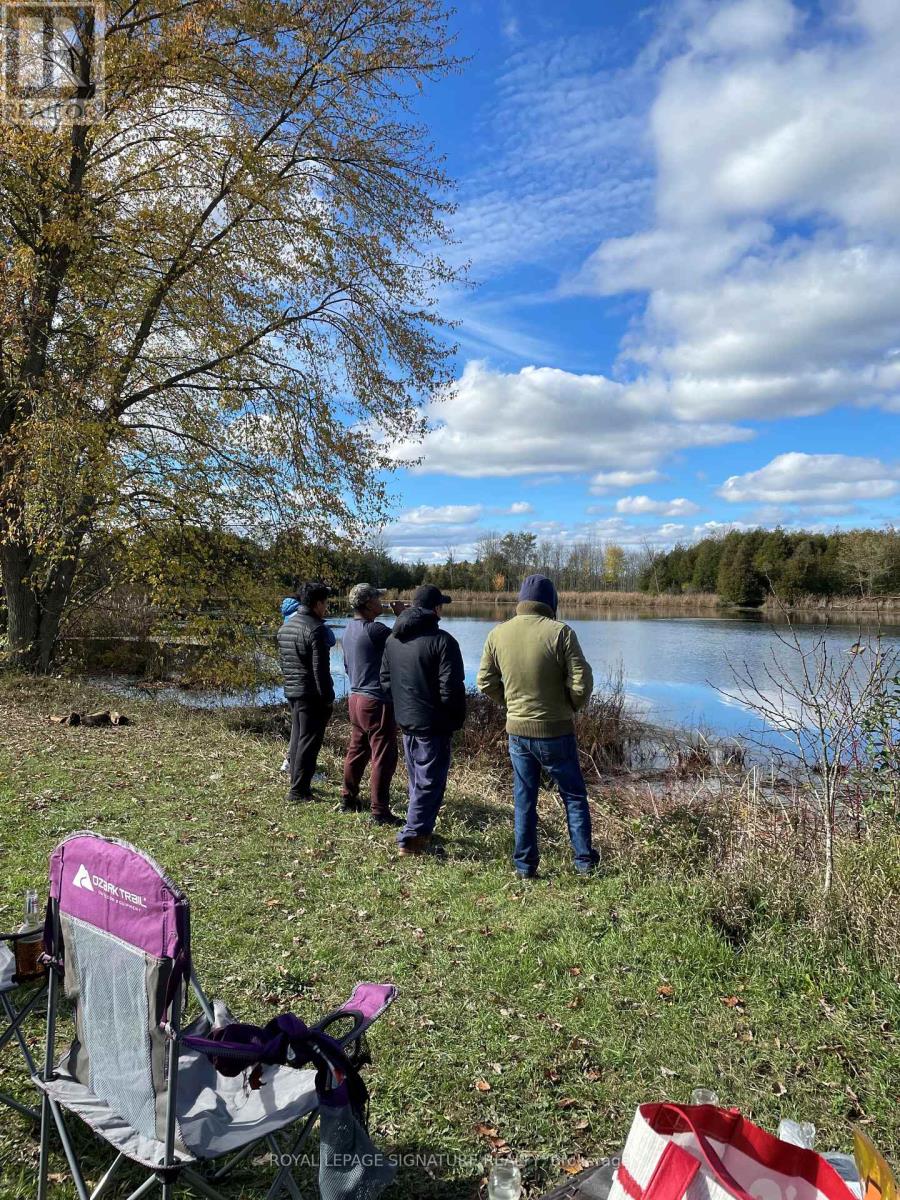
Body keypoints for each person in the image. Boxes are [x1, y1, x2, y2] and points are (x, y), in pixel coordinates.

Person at [476, 574, 600, 880]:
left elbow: (484, 682)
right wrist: (571, 705)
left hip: (517, 732)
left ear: (521, 601)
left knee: (524, 798)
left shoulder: (498, 634)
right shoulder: (561, 633)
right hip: (556, 730)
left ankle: (525, 867)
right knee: (572, 795)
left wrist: (511, 705)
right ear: (551, 603)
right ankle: (584, 863)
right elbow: (581, 681)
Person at [380, 584, 466, 856]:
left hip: (406, 722)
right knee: (429, 782)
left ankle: (420, 829)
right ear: (436, 609)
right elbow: (450, 689)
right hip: (433, 725)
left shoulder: (393, 639)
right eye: (442, 605)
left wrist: (406, 706)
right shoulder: (443, 642)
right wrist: (453, 718)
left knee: (418, 780)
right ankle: (412, 840)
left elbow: (384, 682)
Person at [340, 583, 406, 825]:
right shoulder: (375, 630)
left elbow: (347, 666)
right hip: (376, 701)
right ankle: (380, 812)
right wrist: (403, 615)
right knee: (384, 756)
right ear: (368, 604)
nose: (382, 601)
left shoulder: (349, 629)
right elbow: (406, 641)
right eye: (378, 599)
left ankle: (348, 799)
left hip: (355, 698)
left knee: (357, 750)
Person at [277, 581, 335, 802]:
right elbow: (320, 670)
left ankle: (297, 783)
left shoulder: (286, 627)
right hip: (311, 694)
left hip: (292, 690)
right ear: (318, 603)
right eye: (325, 603)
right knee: (309, 742)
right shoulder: (316, 629)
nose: (326, 608)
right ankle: (298, 791)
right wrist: (328, 698)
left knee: (297, 737)